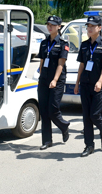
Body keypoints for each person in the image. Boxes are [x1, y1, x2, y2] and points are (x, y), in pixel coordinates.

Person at [74, 15, 102, 157]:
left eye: (92, 26)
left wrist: (100, 81)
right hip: (85, 84)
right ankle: (89, 145)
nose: (89, 29)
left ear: (99, 28)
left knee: (94, 114)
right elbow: (82, 65)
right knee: (86, 116)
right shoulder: (84, 45)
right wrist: (77, 83)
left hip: (98, 85)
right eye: (88, 26)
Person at [36, 16, 70, 150]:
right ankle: (47, 140)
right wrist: (40, 74)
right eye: (48, 24)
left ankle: (63, 125)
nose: (50, 27)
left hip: (57, 80)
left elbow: (61, 64)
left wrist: (55, 80)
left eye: (53, 25)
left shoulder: (63, 43)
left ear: (59, 26)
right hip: (44, 79)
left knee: (53, 109)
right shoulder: (44, 43)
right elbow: (42, 60)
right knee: (44, 111)